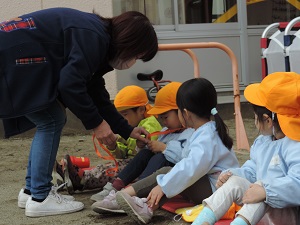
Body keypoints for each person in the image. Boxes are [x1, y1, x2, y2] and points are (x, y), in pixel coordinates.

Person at [0, 8, 158, 217]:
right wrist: (97, 123)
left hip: (13, 56)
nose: (133, 62)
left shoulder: (96, 36)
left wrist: (126, 130)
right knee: (52, 119)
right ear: (130, 42)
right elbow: (70, 84)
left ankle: (31, 192)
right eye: (137, 56)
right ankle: (40, 197)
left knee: (50, 118)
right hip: (11, 59)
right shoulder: (94, 38)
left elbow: (94, 89)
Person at [95, 77, 240, 224]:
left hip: (217, 191)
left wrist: (163, 185)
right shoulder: (206, 131)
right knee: (170, 174)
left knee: (168, 172)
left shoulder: (207, 135)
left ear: (185, 113)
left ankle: (123, 196)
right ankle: (145, 205)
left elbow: (191, 167)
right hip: (213, 185)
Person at [192, 72, 300, 225]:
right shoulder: (262, 142)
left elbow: (297, 183)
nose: (255, 122)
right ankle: (203, 221)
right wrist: (232, 174)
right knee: (236, 182)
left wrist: (266, 191)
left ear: (267, 120)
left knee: (262, 188)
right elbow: (252, 169)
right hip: (260, 212)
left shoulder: (295, 145)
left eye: (255, 117)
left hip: (285, 213)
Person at [90, 82, 195, 208]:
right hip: (162, 172)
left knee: (160, 157)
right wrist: (142, 146)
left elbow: (190, 160)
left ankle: (136, 194)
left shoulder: (192, 133)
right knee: (146, 153)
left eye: (166, 117)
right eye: (161, 118)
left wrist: (164, 148)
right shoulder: (166, 131)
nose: (163, 122)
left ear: (183, 112)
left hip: (176, 175)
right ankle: (115, 187)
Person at [61, 85, 162, 194]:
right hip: (129, 163)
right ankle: (75, 177)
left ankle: (81, 180)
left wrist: (121, 138)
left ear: (141, 110)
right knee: (106, 167)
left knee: (111, 171)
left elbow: (143, 150)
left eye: (125, 114)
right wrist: (113, 145)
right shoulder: (132, 126)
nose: (122, 119)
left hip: (142, 167)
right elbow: (122, 155)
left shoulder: (150, 124)